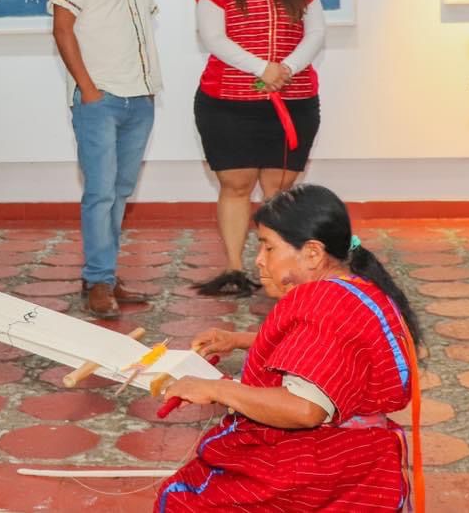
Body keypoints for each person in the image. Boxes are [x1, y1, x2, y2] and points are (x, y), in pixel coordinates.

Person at [157, 184, 422, 510]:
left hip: (326, 461)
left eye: (268, 247)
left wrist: (216, 389)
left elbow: (305, 409)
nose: (258, 261)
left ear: (312, 253)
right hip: (358, 453)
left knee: (186, 500)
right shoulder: (354, 288)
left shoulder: (327, 304)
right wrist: (239, 339)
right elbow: (324, 346)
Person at [191, 0, 326, 297]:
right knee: (235, 186)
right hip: (227, 105)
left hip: (293, 102)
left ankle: (279, 271)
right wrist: (262, 68)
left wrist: (287, 68)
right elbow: (214, 39)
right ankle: (235, 269)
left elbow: (316, 33)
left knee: (278, 192)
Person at [48, 0, 161, 319]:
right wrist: (89, 89)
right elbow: (62, 29)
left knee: (119, 192)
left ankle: (104, 274)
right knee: (99, 193)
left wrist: (147, 91)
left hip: (141, 97)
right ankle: (98, 280)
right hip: (101, 99)